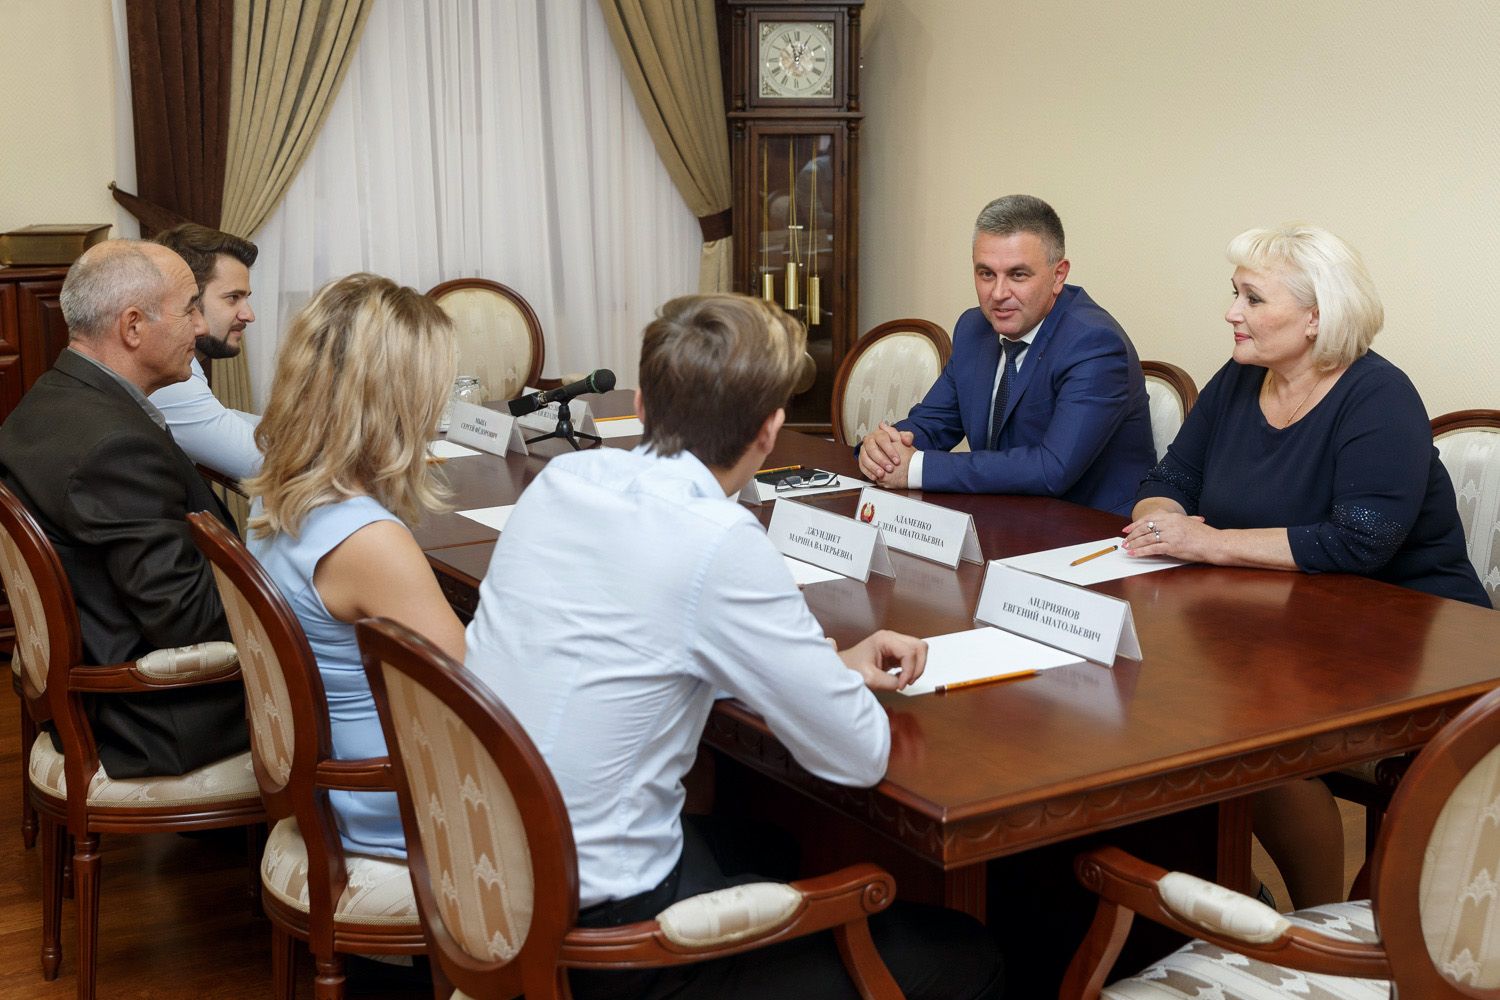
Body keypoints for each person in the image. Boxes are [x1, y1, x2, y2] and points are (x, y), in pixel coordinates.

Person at [465, 294, 1003, 1000]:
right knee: (971, 956)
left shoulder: (564, 481)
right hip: (610, 945)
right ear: (770, 431)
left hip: (493, 874)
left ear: (645, 404)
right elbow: (858, 753)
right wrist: (816, 677)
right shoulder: (718, 538)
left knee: (770, 845)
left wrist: (821, 666)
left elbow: (636, 642)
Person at [1126, 222, 1489, 907]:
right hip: (1288, 619)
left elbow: (1360, 542)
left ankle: (1316, 920)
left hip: (1415, 637)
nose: (1232, 313)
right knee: (1171, 710)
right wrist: (1161, 522)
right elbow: (1171, 477)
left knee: (1244, 734)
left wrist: (1209, 543)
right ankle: (1230, 891)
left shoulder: (1379, 396)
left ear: (1317, 317)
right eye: (1235, 293)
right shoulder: (1239, 379)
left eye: (1253, 298)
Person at [0, 240, 248, 777]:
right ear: (133, 326)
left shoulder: (48, 400)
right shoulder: (114, 446)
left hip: (105, 689)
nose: (200, 327)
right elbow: (188, 620)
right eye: (190, 309)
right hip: (155, 717)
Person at [245, 273, 467, 858]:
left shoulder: (275, 495)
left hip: (334, 777)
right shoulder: (369, 541)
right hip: (394, 798)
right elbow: (474, 699)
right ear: (400, 396)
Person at [858, 194, 1155, 514]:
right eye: (986, 274)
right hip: (1002, 515)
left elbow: (1051, 469)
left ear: (1058, 275)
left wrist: (917, 468)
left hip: (1090, 527)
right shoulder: (975, 329)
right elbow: (934, 423)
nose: (998, 294)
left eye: (1018, 275)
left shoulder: (1094, 344)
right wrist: (884, 450)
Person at [148, 223, 261, 480]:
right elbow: (264, 464)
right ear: (188, 298)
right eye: (233, 298)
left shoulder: (180, 365)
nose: (249, 315)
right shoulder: (167, 376)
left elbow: (222, 419)